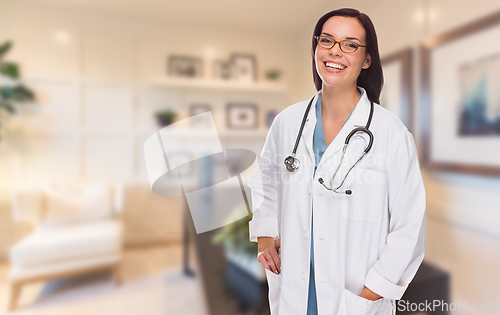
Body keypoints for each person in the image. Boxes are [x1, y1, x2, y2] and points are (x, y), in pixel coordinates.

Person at [247, 8, 426, 315]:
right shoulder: (287, 122)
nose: (335, 52)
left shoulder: (391, 133)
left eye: (350, 44)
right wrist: (265, 238)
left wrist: (372, 294)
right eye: (327, 40)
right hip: (294, 289)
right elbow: (266, 185)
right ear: (316, 48)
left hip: (355, 296)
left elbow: (409, 225)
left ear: (367, 59)